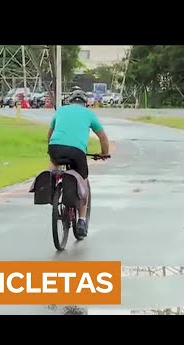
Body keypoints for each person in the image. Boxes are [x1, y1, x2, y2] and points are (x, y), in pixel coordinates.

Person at [47, 89, 110, 237]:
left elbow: (50, 133)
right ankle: (82, 220)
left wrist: (50, 148)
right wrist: (104, 154)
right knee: (83, 180)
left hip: (55, 147)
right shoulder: (89, 114)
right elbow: (103, 137)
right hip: (76, 152)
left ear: (70, 101)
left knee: (54, 163)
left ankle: (51, 183)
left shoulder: (61, 111)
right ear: (85, 103)